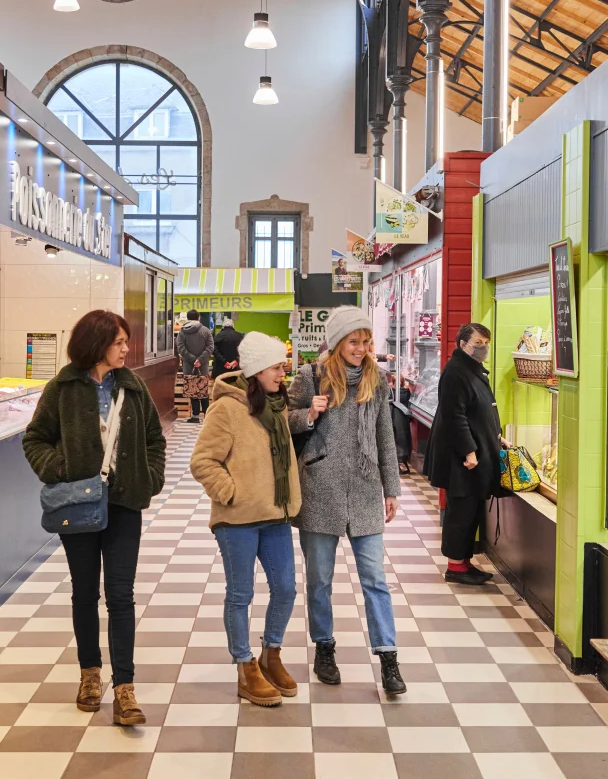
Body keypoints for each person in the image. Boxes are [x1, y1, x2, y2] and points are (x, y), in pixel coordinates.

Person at [23, 310, 166, 725]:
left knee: (121, 594)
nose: (126, 348)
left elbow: (155, 439)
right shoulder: (63, 388)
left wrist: (150, 478)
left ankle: (125, 687)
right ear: (97, 343)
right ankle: (90, 674)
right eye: (119, 342)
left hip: (124, 504)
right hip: (78, 504)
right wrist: (58, 469)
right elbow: (35, 438)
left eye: (126, 341)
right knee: (85, 592)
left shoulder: (133, 386)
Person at [288, 305, 406, 696]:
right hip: (320, 488)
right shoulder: (312, 376)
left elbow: (385, 435)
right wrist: (308, 413)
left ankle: (388, 657)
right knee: (320, 580)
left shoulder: (377, 378)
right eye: (354, 341)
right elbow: (283, 419)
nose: (361, 348)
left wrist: (392, 488)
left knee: (375, 579)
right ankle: (324, 647)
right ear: (338, 342)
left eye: (366, 341)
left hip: (366, 488)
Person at [190, 332, 301, 707]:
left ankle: (272, 654)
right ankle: (244, 665)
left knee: (285, 588)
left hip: (275, 515)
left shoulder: (276, 405)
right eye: (276, 367)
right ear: (255, 371)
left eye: (283, 367)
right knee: (241, 595)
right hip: (237, 519)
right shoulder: (227, 409)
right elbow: (202, 461)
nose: (282, 375)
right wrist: (231, 492)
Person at [424, 322, 506, 586]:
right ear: (462, 345)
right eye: (477, 344)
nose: (483, 349)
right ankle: (456, 567)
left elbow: (480, 410)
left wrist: (496, 436)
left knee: (470, 509)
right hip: (461, 459)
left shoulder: (471, 369)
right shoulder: (456, 372)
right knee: (461, 510)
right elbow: (455, 416)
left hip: (474, 452)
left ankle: (465, 562)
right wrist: (469, 451)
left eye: (485, 344)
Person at [176, 310, 214, 423]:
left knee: (193, 389)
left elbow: (180, 348)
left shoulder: (182, 332)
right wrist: (200, 360)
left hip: (189, 366)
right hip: (202, 366)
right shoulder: (205, 331)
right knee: (203, 390)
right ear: (198, 318)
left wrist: (192, 360)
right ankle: (207, 416)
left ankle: (195, 416)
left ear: (187, 318)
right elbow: (210, 347)